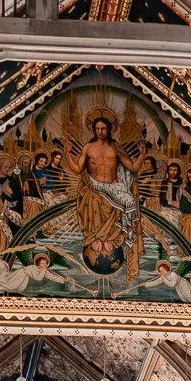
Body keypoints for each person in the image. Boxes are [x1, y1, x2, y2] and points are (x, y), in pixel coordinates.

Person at [63, 113, 146, 277]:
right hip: (94, 188)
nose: (100, 131)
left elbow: (133, 168)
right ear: (93, 130)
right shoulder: (88, 148)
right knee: (93, 208)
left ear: (110, 130)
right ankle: (96, 241)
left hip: (114, 190)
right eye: (97, 129)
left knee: (125, 207)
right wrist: (67, 153)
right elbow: (78, 170)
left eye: (104, 128)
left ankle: (109, 241)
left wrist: (142, 154)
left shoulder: (116, 148)